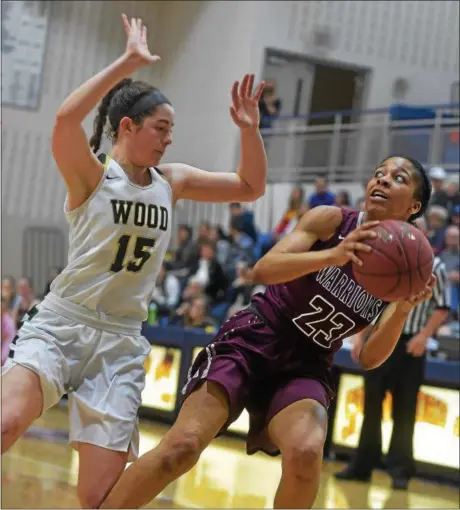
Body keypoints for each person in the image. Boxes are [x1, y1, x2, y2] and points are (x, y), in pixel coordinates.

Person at [1, 14, 266, 509]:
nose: (169, 139)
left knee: (99, 497)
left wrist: (251, 131)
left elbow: (251, 186)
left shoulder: (173, 181)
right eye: (160, 128)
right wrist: (126, 62)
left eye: (172, 131)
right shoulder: (92, 176)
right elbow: (64, 121)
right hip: (62, 323)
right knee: (6, 421)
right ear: (128, 126)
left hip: (120, 341)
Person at [100, 155, 435, 510]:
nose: (382, 180)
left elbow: (369, 358)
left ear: (414, 205)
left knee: (306, 455)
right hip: (256, 337)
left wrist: (402, 310)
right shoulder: (332, 220)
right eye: (378, 173)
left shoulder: (407, 267)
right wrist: (331, 256)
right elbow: (264, 268)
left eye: (397, 178)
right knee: (182, 448)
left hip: (307, 365)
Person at [335, 216, 450, 490]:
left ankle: (400, 469)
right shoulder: (385, 263)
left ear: (425, 235)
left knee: (405, 408)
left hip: (411, 344)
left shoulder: (438, 266)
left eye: (417, 230)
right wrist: (360, 337)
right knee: (370, 406)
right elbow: (371, 304)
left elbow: (443, 307)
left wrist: (424, 336)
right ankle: (362, 464)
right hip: (380, 340)